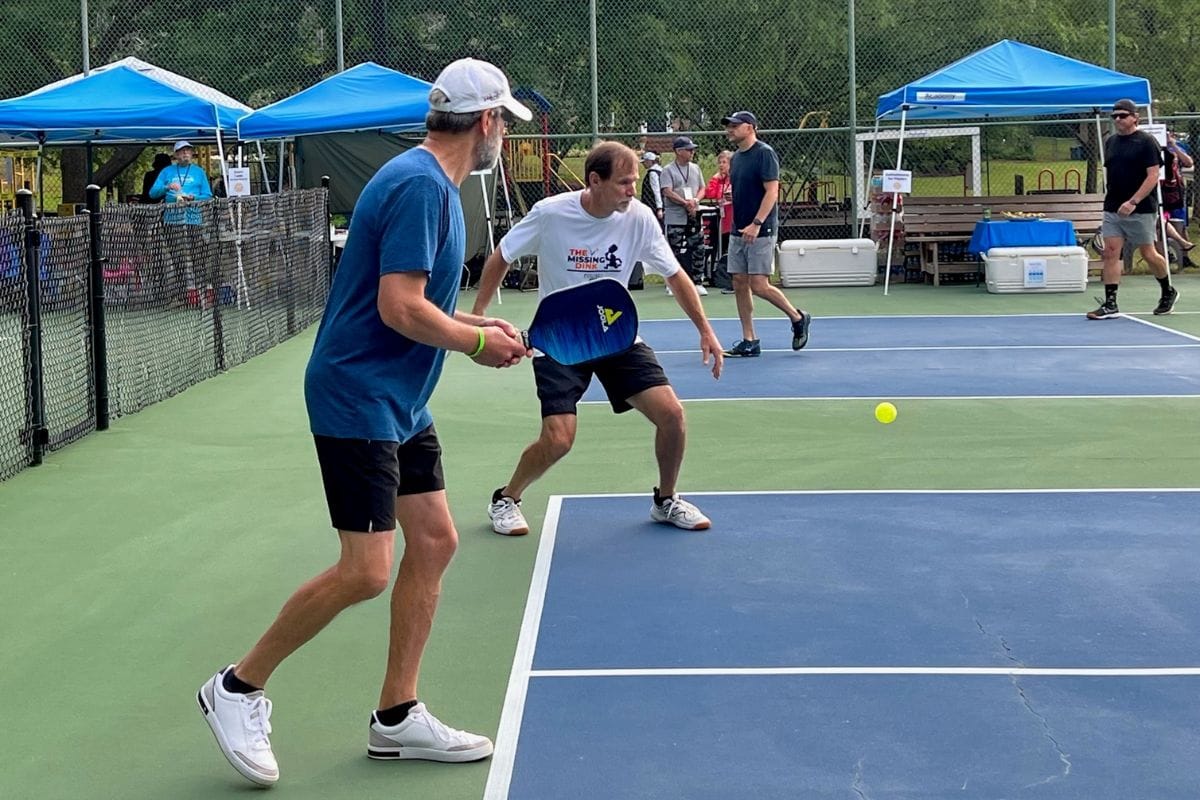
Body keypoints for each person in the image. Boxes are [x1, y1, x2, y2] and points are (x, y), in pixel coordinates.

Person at [195, 57, 532, 788]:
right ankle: (237, 687)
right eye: (503, 121)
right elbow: (398, 308)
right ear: (484, 123)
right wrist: (474, 343)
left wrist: (482, 326)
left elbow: (424, 305)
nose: (502, 134)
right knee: (367, 569)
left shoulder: (432, 185)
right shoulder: (419, 186)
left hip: (400, 400)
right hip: (357, 396)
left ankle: (396, 716)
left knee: (436, 541)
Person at [471, 141, 724, 537]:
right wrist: (479, 317)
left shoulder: (638, 218)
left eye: (635, 181)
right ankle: (507, 497)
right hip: (560, 338)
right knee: (559, 439)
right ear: (594, 180)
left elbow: (675, 275)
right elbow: (502, 254)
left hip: (614, 332)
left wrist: (705, 330)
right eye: (624, 182)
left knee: (672, 415)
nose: (632, 189)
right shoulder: (551, 214)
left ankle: (666, 500)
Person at [720, 111, 810, 356]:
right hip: (740, 228)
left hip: (761, 228)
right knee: (739, 282)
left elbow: (772, 192)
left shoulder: (764, 154)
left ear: (750, 128)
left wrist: (757, 223)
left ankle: (797, 317)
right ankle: (749, 340)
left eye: (734, 126)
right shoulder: (737, 158)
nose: (730, 129)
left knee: (758, 285)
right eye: (729, 126)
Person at [1088, 99, 1178, 319]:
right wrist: (1115, 200)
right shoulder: (1111, 142)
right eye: (1115, 116)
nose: (1118, 119)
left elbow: (1153, 176)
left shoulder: (1146, 142)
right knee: (1110, 253)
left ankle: (1167, 290)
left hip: (1141, 209)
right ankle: (1111, 304)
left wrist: (1133, 201)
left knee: (1148, 253)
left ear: (1135, 117)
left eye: (1123, 115)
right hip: (1113, 208)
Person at [148, 141, 215, 297]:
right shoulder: (166, 172)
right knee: (177, 257)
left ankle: (202, 291)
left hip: (194, 219)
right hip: (172, 220)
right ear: (176, 155)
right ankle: (182, 294)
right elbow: (152, 193)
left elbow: (208, 195)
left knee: (198, 256)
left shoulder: (199, 172)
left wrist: (194, 197)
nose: (185, 154)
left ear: (192, 154)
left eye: (188, 151)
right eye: (182, 151)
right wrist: (167, 187)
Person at [661, 135, 708, 294]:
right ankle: (672, 283)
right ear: (679, 151)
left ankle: (697, 281)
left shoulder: (695, 168)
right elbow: (667, 191)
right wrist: (684, 202)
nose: (692, 152)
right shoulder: (668, 170)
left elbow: (703, 188)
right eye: (689, 150)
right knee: (674, 249)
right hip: (676, 216)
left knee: (698, 247)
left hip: (693, 215)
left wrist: (695, 200)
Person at [639, 150, 665, 228]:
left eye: (644, 162)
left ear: (650, 161)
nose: (643, 164)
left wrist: (659, 208)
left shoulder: (652, 173)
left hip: (652, 205)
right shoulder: (660, 171)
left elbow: (656, 191)